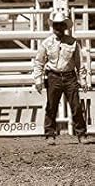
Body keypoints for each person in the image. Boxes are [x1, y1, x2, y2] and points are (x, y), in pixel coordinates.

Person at [33, 11, 89, 145]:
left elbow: (79, 62)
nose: (58, 28)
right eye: (56, 25)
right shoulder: (46, 43)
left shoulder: (73, 43)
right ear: (53, 27)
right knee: (51, 106)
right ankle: (49, 134)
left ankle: (81, 134)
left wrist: (83, 79)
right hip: (53, 76)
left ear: (65, 27)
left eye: (60, 25)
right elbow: (39, 62)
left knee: (76, 106)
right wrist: (38, 80)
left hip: (70, 77)